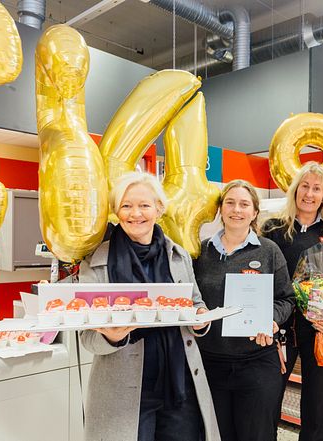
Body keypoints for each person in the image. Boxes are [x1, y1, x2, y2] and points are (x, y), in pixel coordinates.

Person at [79, 172, 220, 441]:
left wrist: (201, 319)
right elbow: (86, 337)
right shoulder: (96, 262)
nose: (136, 214)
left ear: (159, 208)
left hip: (179, 385)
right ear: (116, 212)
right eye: (126, 205)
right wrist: (112, 338)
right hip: (123, 391)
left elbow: (196, 303)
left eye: (144, 205)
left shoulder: (177, 256)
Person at [193, 179, 294, 441]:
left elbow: (286, 299)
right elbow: (190, 299)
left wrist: (270, 320)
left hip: (257, 362)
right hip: (210, 363)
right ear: (220, 209)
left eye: (244, 204)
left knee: (257, 435)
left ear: (254, 212)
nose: (236, 210)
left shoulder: (269, 251)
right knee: (217, 435)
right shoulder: (199, 251)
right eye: (230, 203)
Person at [261, 162, 323, 441]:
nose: (309, 194)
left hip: (319, 334)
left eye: (317, 188)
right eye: (305, 186)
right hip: (280, 332)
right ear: (295, 189)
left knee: (314, 407)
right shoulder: (274, 229)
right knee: (268, 402)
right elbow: (259, 277)